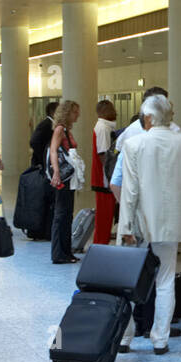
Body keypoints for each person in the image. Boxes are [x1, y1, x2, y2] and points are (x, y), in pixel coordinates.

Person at [118, 94, 181, 354]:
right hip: (172, 223)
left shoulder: (134, 145)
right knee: (166, 280)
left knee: (130, 280)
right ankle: (160, 339)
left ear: (150, 117)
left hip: (141, 224)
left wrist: (125, 228)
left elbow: (130, 192)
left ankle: (125, 337)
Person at [48, 100, 85, 264]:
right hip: (63, 176)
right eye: (75, 112)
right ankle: (59, 252)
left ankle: (66, 251)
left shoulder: (66, 130)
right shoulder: (60, 130)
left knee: (67, 214)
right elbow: (53, 151)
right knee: (61, 213)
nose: (77, 115)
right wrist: (56, 171)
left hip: (69, 177)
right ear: (68, 113)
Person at [26, 101, 58, 241]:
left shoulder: (50, 125)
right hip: (41, 166)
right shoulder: (46, 125)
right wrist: (44, 158)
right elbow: (34, 141)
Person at [91, 99, 118, 247]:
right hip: (103, 179)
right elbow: (103, 154)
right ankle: (100, 245)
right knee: (104, 217)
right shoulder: (103, 128)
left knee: (106, 216)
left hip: (103, 178)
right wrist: (111, 175)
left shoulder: (105, 127)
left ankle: (102, 244)